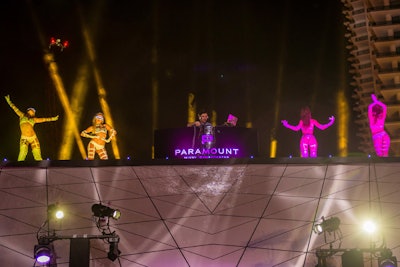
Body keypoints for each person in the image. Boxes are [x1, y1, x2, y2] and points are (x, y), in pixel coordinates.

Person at [5, 95, 59, 161]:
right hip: (24, 137)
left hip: (33, 137)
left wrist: (53, 119)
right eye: (32, 110)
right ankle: (19, 166)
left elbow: (44, 119)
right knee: (22, 153)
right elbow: (15, 108)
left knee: (37, 155)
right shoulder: (22, 115)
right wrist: (9, 101)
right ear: (28, 111)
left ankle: (40, 166)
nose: (33, 112)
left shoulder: (34, 119)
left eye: (34, 112)